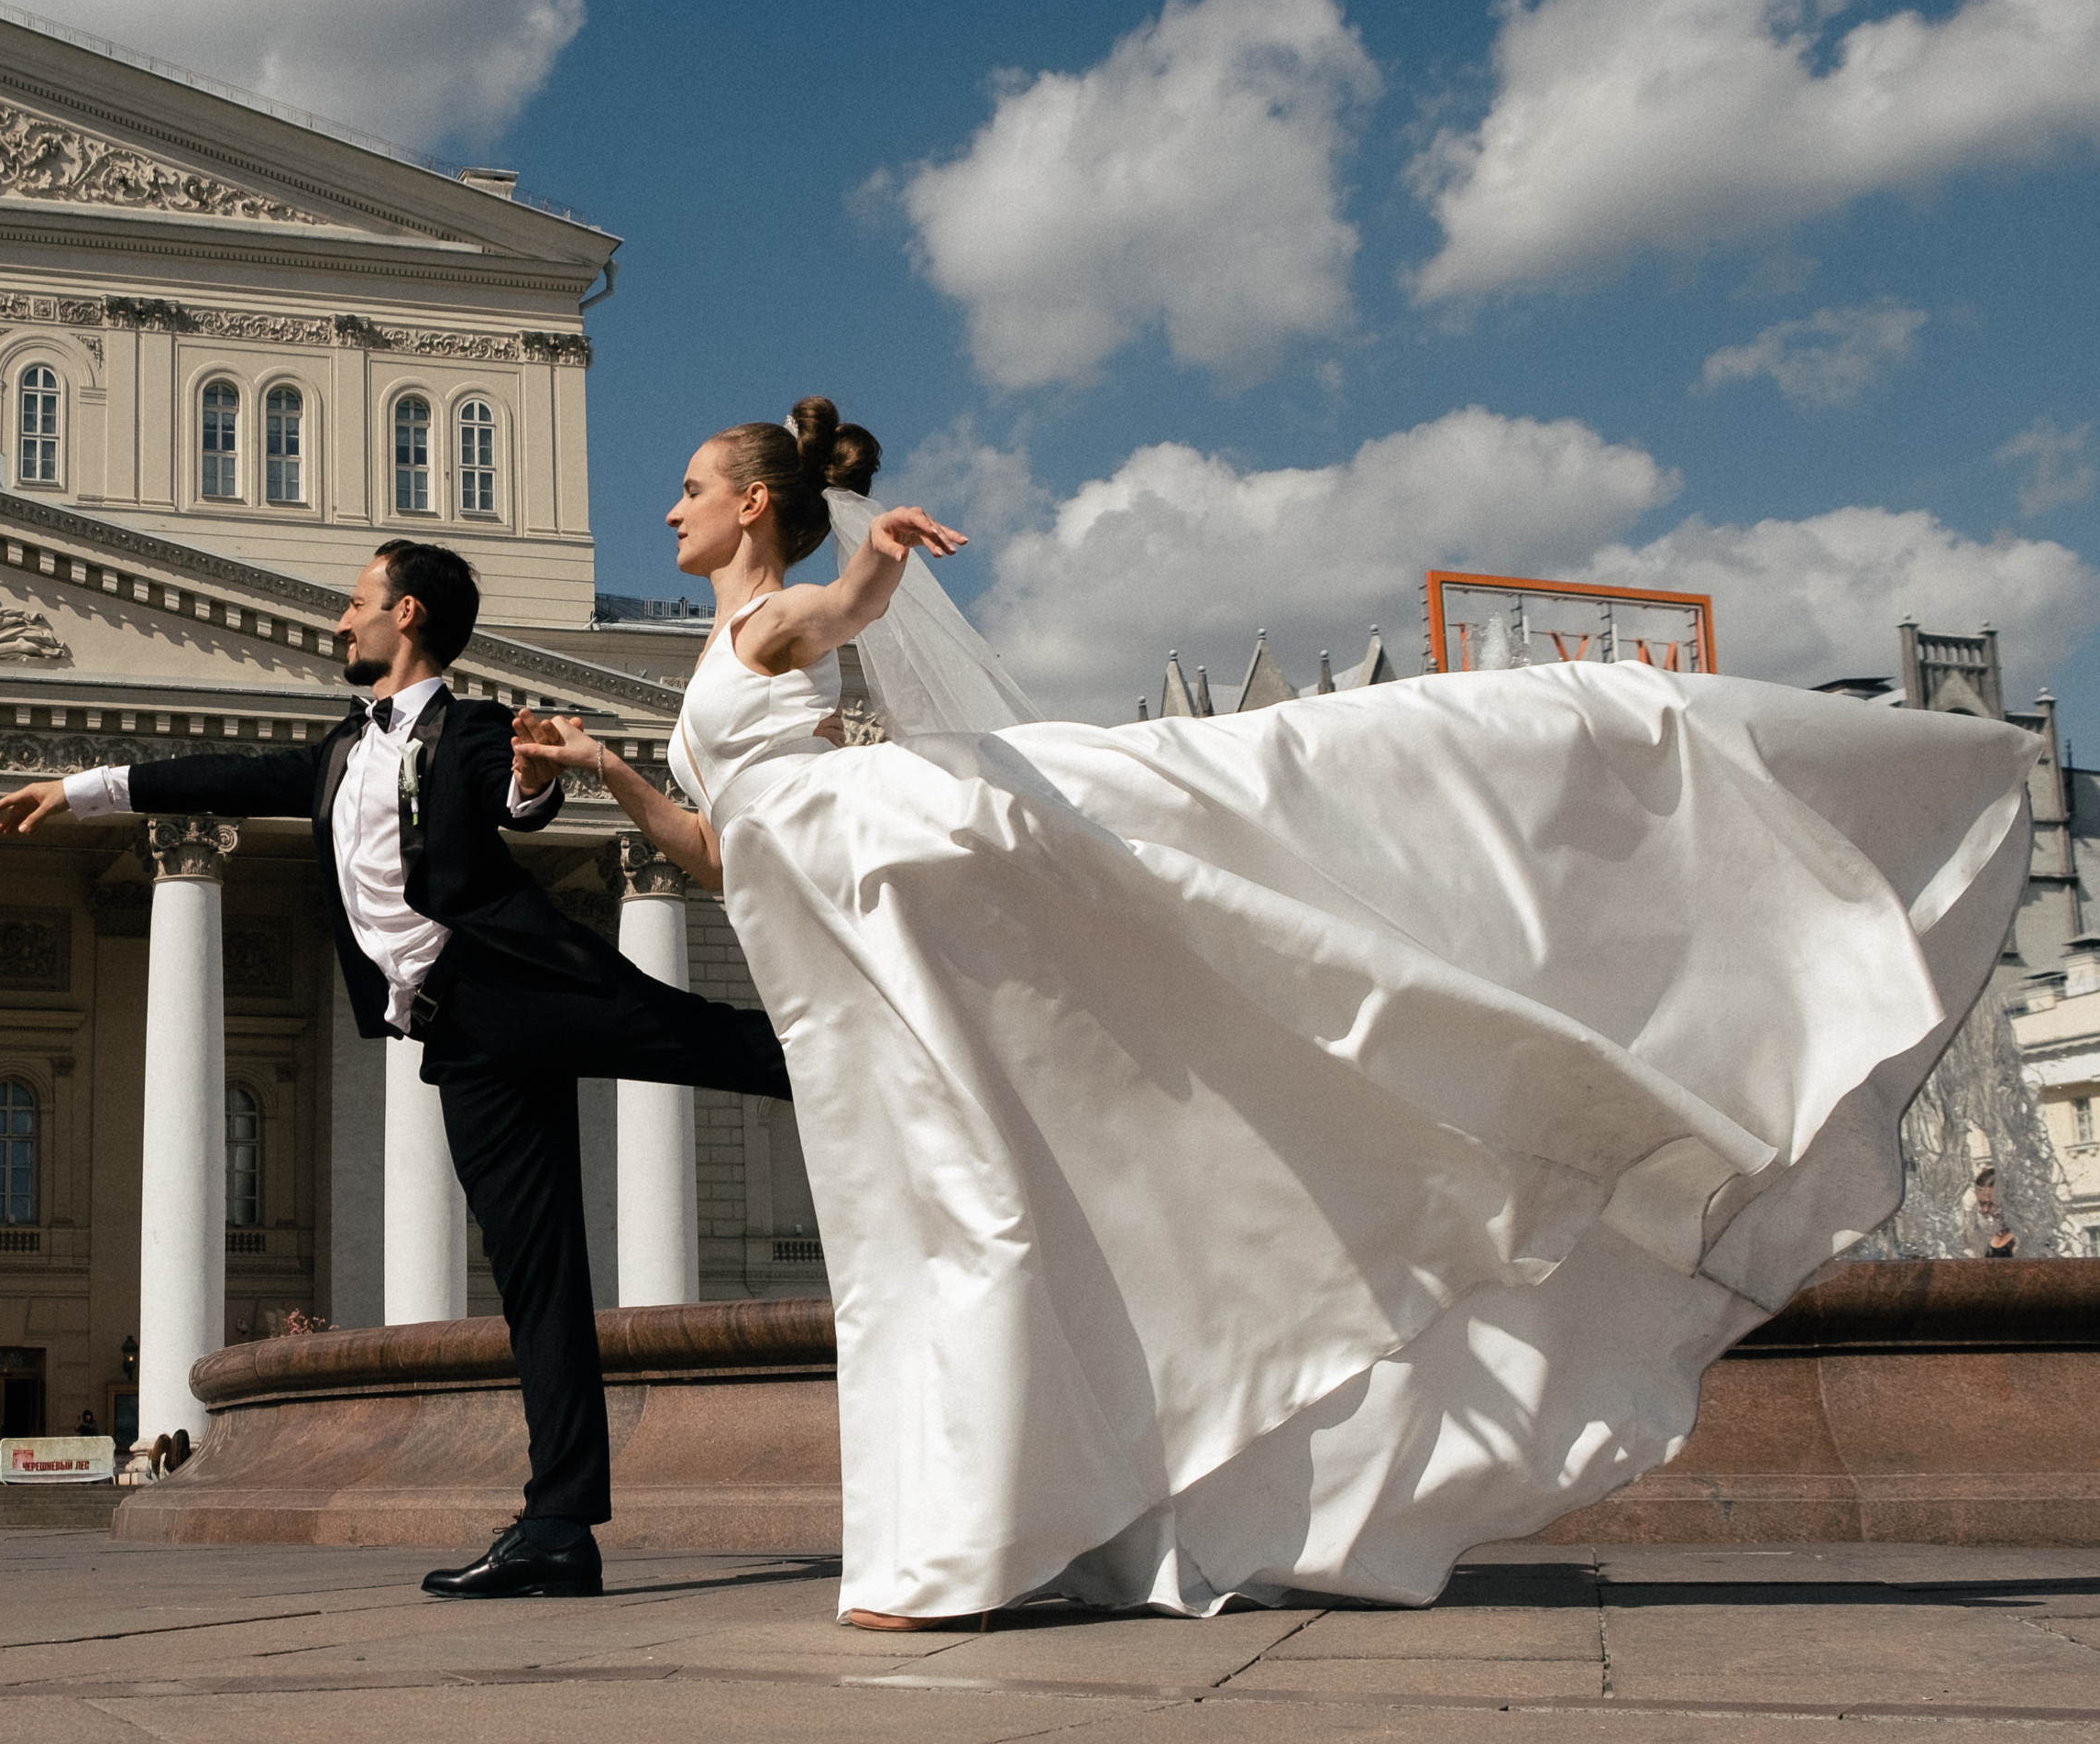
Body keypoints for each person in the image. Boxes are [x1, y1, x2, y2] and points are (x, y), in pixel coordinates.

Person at [514, 396, 2041, 1628]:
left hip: (909, 893)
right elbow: (718, 850)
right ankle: (995, 1529)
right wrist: (606, 774)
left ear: (755, 508)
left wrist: (885, 563)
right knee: (930, 1219)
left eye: (692, 490)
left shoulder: (769, 623)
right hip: (839, 951)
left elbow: (844, 612)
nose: (671, 512)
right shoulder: (717, 672)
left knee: (989, 1184)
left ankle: (967, 1551)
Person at [0, 538, 789, 1602]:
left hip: (526, 983)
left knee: (729, 1045)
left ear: (405, 615)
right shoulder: (333, 753)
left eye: (354, 605)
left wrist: (533, 776)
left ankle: (901, 1061)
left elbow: (516, 796)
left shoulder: (472, 729)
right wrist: (80, 789)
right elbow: (218, 776)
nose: (338, 623)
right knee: (538, 1281)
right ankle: (558, 1526)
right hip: (459, 1034)